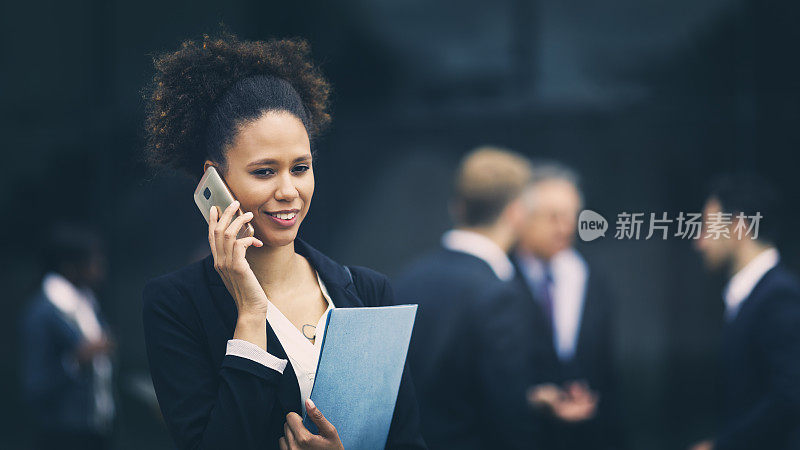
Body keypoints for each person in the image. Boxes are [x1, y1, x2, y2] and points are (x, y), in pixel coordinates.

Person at [140, 32, 426, 450]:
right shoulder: (177, 305)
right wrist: (251, 312)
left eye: (300, 167)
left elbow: (407, 443)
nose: (289, 189)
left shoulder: (367, 292)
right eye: (264, 171)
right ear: (214, 179)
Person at [394, 146, 537, 449]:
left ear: (457, 207)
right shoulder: (498, 294)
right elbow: (506, 412)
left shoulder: (409, 278)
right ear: (515, 213)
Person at [510, 163, 624, 450]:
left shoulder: (591, 277)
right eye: (552, 217)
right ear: (522, 216)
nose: (565, 227)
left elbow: (607, 369)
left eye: (571, 216)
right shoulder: (501, 278)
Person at [690, 173, 800, 450]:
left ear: (738, 227)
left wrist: (722, 446)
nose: (699, 242)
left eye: (707, 227)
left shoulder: (778, 296)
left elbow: (790, 396)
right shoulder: (753, 295)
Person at [20, 222, 116, 450]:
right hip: (62, 434)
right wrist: (76, 360)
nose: (100, 266)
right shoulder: (42, 313)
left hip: (95, 427)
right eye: (94, 260)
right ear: (71, 266)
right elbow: (35, 385)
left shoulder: (87, 302)